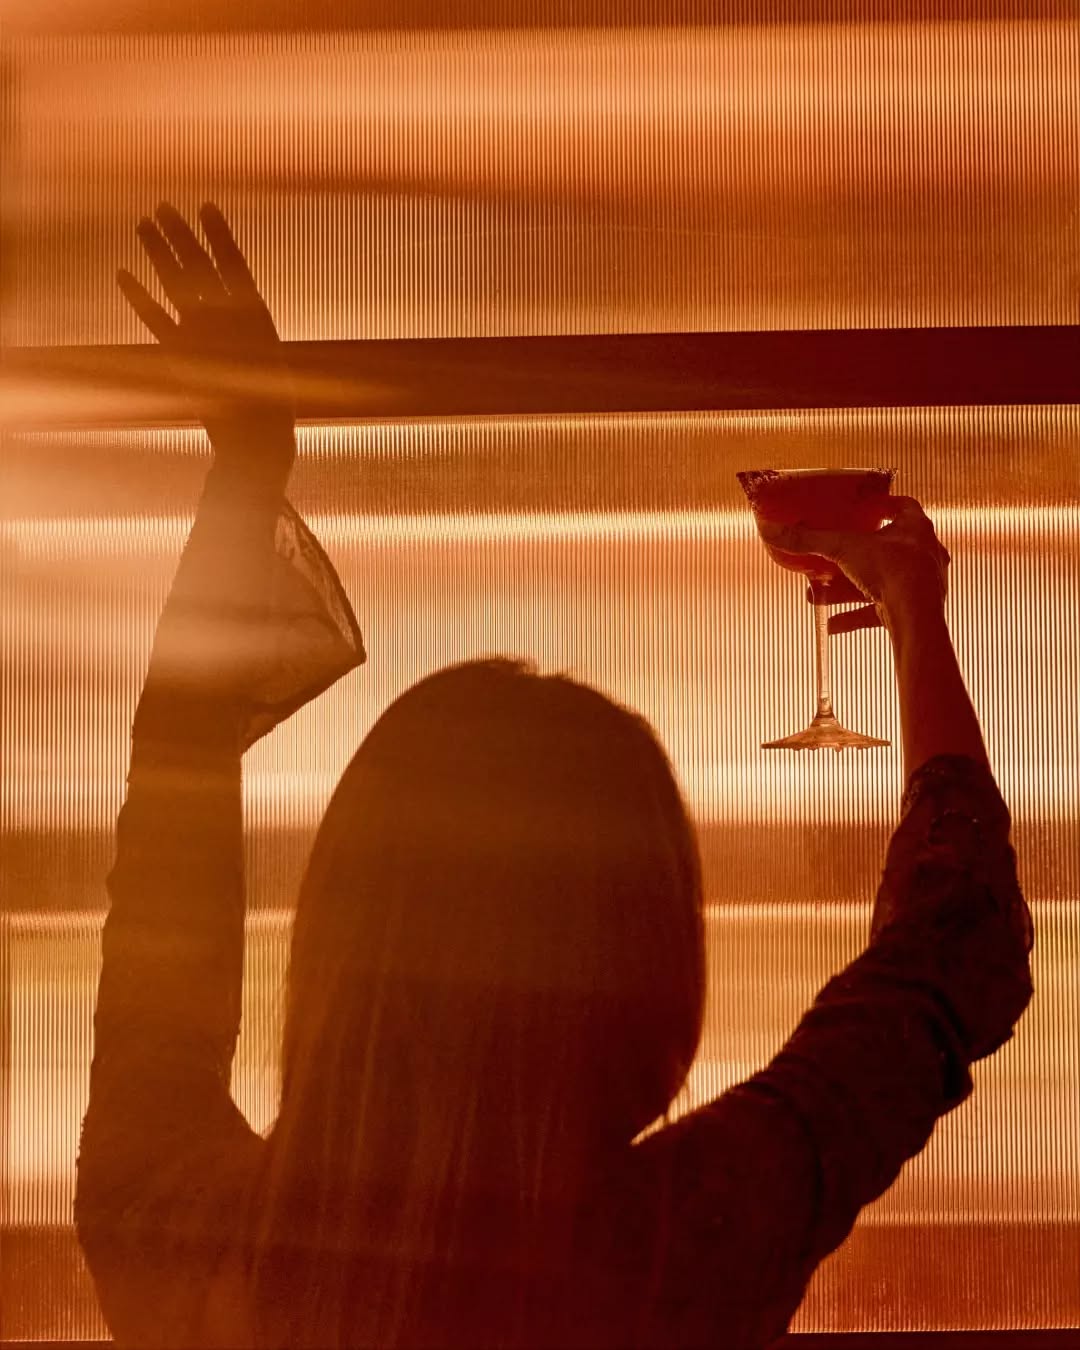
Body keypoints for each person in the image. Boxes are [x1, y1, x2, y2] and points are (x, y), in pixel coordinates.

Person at [75, 203, 1034, 1350]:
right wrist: (912, 606)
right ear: (649, 979)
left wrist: (246, 475)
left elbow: (165, 883)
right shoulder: (692, 1237)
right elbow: (958, 943)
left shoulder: (179, 1233)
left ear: (337, 940)